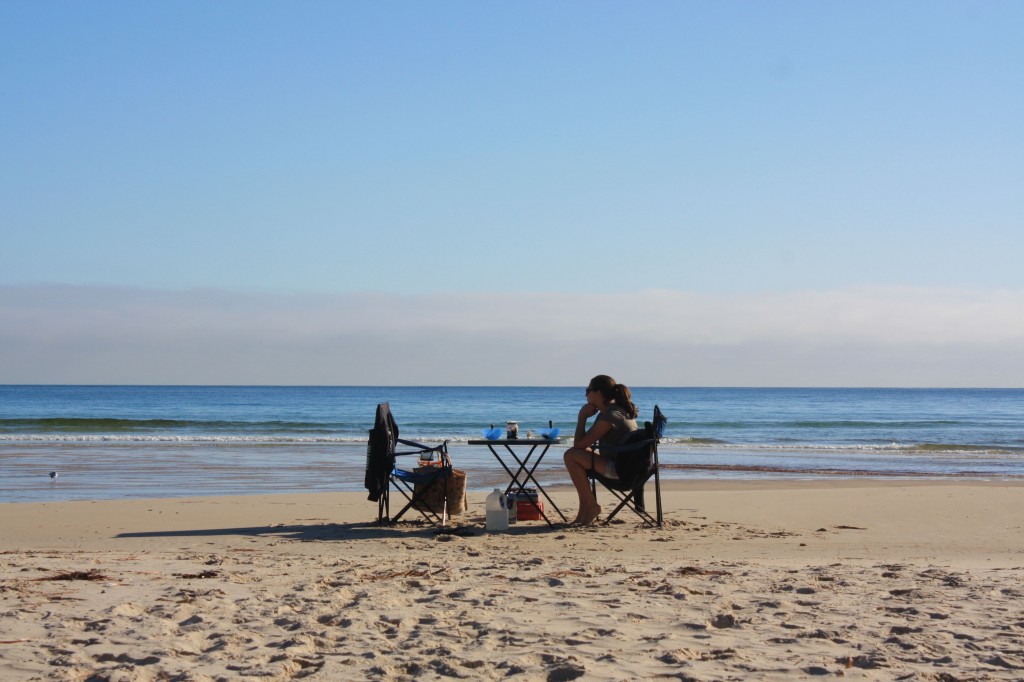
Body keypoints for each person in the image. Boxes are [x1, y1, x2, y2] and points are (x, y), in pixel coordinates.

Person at [563, 375, 638, 526]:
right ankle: (584, 510)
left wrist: (582, 417)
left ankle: (591, 507)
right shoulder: (614, 412)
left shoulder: (612, 415)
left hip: (622, 471)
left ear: (598, 393)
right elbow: (583, 445)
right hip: (629, 468)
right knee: (575, 458)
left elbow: (579, 445)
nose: (585, 394)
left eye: (588, 390)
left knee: (571, 456)